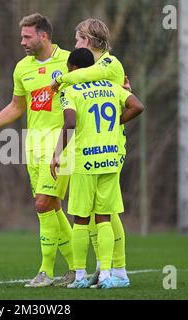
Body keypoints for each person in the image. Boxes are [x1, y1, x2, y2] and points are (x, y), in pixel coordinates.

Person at [0, 13, 75, 287]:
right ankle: (76, 269)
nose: (22, 41)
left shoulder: (70, 61)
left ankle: (46, 272)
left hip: (62, 144)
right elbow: (17, 106)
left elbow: (97, 81)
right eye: (22, 36)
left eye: (27, 36)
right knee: (51, 206)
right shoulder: (22, 68)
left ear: (44, 35)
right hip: (32, 146)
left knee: (42, 204)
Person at [50, 47, 144, 289]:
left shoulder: (70, 90)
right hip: (111, 159)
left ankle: (80, 276)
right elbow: (137, 106)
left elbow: (70, 121)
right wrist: (116, 122)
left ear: (71, 68)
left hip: (86, 161)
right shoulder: (112, 87)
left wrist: (57, 153)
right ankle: (107, 275)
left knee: (80, 218)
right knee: (104, 217)